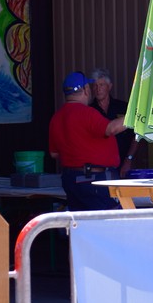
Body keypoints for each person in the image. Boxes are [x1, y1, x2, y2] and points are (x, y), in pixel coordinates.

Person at [49, 71, 127, 211]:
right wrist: (136, 116)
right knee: (109, 220)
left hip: (70, 179)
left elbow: (54, 153)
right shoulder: (87, 112)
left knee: (80, 220)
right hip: (94, 179)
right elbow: (111, 129)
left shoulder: (56, 117)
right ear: (85, 89)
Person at [89, 67, 140, 177]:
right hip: (98, 166)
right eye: (95, 85)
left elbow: (136, 135)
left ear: (109, 86)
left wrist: (129, 159)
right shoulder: (89, 110)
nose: (98, 89)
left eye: (101, 85)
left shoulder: (124, 107)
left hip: (123, 163)